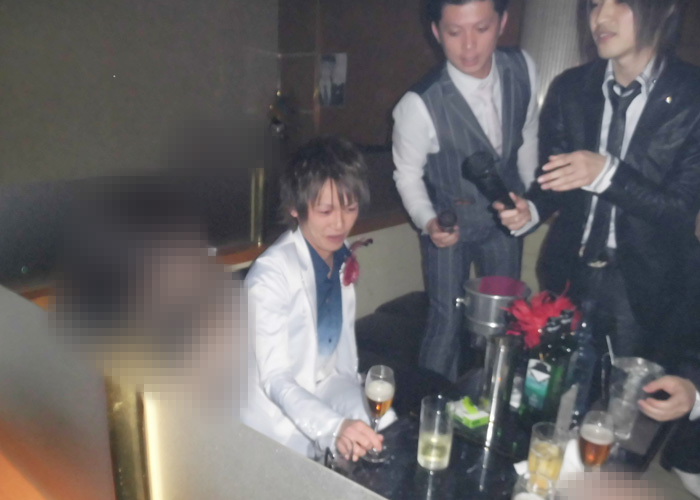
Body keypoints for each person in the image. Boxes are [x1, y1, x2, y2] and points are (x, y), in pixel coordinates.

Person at [496, 0, 700, 362]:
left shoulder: (693, 95)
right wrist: (531, 211)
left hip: (645, 290)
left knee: (624, 395)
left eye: (620, 1)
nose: (601, 17)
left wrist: (608, 174)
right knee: (554, 387)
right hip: (568, 275)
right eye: (594, 3)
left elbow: (683, 211)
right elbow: (552, 180)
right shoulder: (570, 88)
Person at [392, 0, 539, 381]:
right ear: (437, 32)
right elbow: (407, 175)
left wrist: (531, 198)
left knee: (506, 318)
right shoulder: (417, 104)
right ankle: (430, 403)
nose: (469, 46)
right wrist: (428, 222)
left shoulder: (523, 68)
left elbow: (526, 134)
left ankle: (495, 399)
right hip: (448, 223)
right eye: (455, 32)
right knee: (446, 319)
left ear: (502, 22)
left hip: (504, 220)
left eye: (482, 29)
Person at [240, 137, 384, 461]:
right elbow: (275, 379)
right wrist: (335, 427)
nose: (340, 223)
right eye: (325, 211)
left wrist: (356, 411)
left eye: (350, 208)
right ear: (295, 207)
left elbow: (332, 367)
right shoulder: (269, 276)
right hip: (276, 417)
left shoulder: (340, 254)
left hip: (326, 385)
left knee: (383, 427)